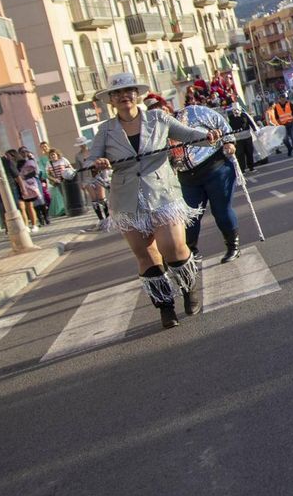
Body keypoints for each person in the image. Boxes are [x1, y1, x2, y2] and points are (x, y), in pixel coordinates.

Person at [80, 72, 221, 329]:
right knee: (146, 255)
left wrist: (208, 135)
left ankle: (189, 288)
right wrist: (95, 164)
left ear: (138, 94)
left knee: (173, 246)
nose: (124, 96)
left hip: (162, 192)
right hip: (126, 199)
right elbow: (91, 159)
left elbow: (189, 134)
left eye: (129, 91)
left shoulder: (158, 118)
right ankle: (165, 307)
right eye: (117, 93)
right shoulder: (105, 130)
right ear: (110, 100)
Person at [152, 93, 242, 265]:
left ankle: (232, 247)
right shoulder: (156, 134)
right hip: (187, 178)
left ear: (167, 108)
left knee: (221, 211)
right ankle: (191, 251)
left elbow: (219, 122)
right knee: (189, 218)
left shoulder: (193, 112)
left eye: (160, 110)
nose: (158, 116)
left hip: (215, 168)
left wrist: (229, 141)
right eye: (153, 114)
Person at [225, 102, 260, 174]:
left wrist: (255, 130)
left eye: (237, 109)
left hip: (247, 137)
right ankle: (242, 169)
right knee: (240, 154)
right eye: (234, 110)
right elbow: (228, 127)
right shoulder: (230, 117)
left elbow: (251, 123)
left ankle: (251, 167)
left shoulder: (244, 115)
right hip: (238, 139)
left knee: (249, 153)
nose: (236, 111)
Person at [17, 149, 46, 228]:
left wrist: (24, 176)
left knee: (36, 202)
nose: (23, 154)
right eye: (21, 153)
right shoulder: (18, 162)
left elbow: (35, 172)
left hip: (31, 183)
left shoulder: (31, 161)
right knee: (27, 206)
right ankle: (37, 221)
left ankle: (41, 219)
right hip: (21, 185)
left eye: (24, 152)